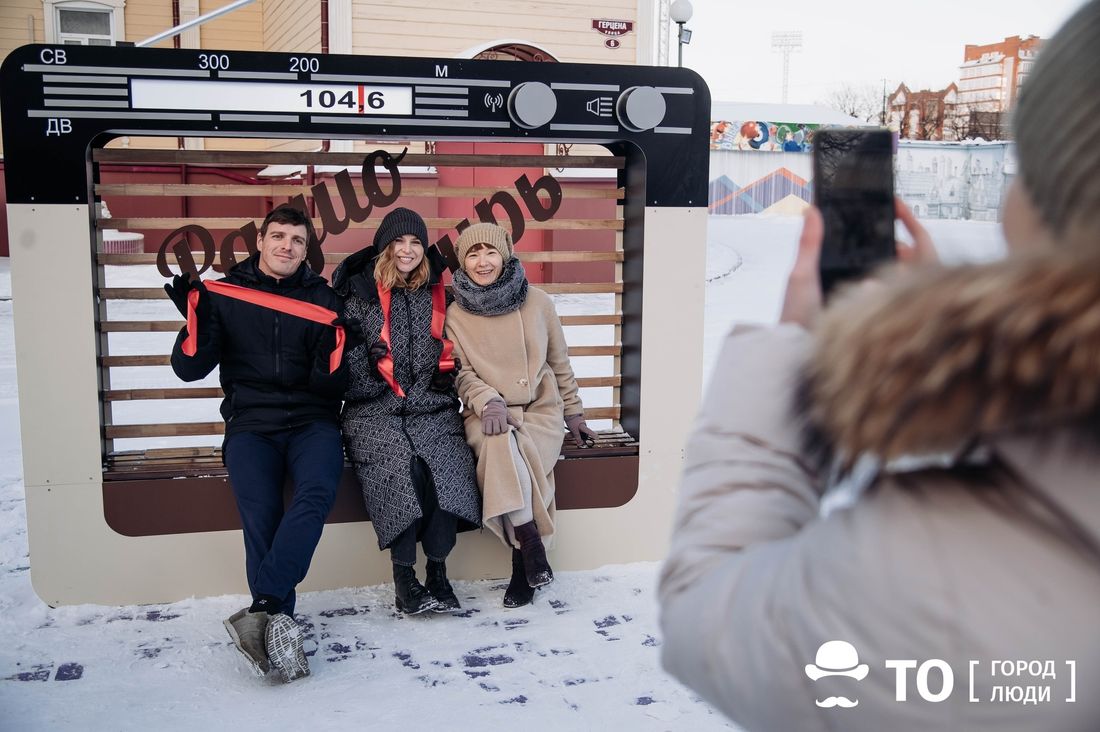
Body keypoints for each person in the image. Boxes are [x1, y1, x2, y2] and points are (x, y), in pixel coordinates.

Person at [658, 4, 1100, 730]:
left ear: (1056, 208)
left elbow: (708, 617)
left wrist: (793, 348)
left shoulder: (937, 575)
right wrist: (956, 354)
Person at [166, 204, 347, 683]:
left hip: (313, 424)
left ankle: (263, 608)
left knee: (315, 493)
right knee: (260, 511)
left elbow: (334, 386)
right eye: (279, 236)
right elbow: (189, 369)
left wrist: (330, 362)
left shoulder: (323, 301)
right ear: (261, 241)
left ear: (308, 251)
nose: (287, 246)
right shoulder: (227, 294)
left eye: (298, 240)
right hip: (251, 423)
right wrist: (194, 320)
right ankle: (277, 623)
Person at [333, 207, 481, 615]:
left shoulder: (442, 296)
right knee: (400, 468)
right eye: (399, 241)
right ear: (384, 247)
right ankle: (404, 578)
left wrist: (446, 379)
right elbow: (339, 375)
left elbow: (465, 354)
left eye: (415, 242)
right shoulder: (358, 299)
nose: (407, 249)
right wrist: (366, 365)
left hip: (431, 410)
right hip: (372, 412)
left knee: (445, 467)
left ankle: (438, 572)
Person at [445, 223, 597, 608]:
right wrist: (486, 400)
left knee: (515, 454)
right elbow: (460, 372)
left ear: (506, 254)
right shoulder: (455, 314)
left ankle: (524, 554)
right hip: (489, 412)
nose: (483, 262)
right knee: (499, 442)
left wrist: (575, 415)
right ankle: (529, 549)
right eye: (473, 254)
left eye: (490, 252)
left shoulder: (539, 303)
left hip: (538, 410)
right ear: (463, 261)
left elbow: (560, 363)